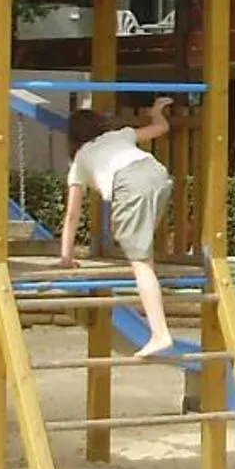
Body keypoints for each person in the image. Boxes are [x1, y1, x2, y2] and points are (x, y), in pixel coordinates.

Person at [59, 95, 184, 358]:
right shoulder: (118, 136)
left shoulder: (81, 159)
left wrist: (66, 257)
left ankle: (160, 334)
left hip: (130, 184)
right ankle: (144, 259)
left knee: (140, 261)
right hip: (158, 175)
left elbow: (72, 214)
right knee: (133, 239)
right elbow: (161, 129)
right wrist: (156, 112)